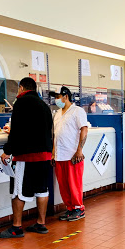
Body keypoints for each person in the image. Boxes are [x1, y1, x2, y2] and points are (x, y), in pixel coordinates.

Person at [0, 77, 53, 238]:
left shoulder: (21, 103)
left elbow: (18, 130)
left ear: (21, 88)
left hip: (26, 156)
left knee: (17, 191)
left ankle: (16, 227)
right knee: (42, 189)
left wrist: (8, 150)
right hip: (45, 154)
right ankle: (41, 224)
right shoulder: (44, 105)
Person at [50, 86, 88, 221]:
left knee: (74, 184)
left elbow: (84, 130)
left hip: (73, 156)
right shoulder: (57, 114)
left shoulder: (77, 111)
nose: (56, 99)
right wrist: (54, 153)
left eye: (57, 96)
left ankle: (79, 208)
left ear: (65, 96)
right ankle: (70, 208)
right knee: (63, 185)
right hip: (60, 155)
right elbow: (55, 135)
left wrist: (79, 150)